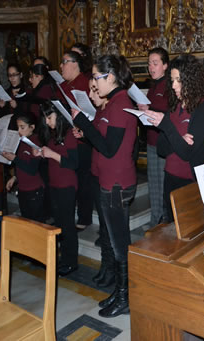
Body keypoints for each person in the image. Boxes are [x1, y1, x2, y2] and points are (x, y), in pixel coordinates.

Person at [72, 54, 137, 318]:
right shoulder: (113, 103)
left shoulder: (121, 104)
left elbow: (109, 148)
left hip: (118, 184)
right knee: (115, 239)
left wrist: (83, 123)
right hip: (110, 181)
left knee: (120, 243)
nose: (95, 84)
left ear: (111, 76)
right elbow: (102, 141)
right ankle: (120, 292)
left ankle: (126, 297)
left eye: (97, 77)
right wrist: (87, 128)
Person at [145, 54, 204, 222]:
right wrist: (177, 137)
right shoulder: (175, 106)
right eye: (172, 80)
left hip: (191, 182)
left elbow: (185, 153)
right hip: (170, 178)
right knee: (170, 230)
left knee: (189, 232)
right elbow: (161, 149)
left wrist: (168, 128)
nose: (174, 85)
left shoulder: (203, 109)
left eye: (178, 80)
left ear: (190, 80)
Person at [72, 79, 115, 288]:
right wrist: (84, 135)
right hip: (97, 173)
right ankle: (105, 267)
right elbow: (96, 140)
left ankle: (111, 269)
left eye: (94, 90)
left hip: (109, 176)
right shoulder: (100, 113)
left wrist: (83, 123)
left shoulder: (111, 111)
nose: (90, 95)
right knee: (104, 229)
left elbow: (107, 147)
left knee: (108, 229)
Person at [34, 101, 79, 276]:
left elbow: (73, 163)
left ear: (58, 116)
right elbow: (53, 159)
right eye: (45, 118)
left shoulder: (68, 134)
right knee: (59, 223)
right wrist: (42, 153)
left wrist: (52, 154)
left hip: (67, 184)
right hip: (54, 183)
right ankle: (64, 258)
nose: (47, 122)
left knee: (67, 224)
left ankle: (71, 261)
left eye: (50, 117)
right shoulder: (52, 134)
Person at [60, 50, 94, 231]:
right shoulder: (65, 85)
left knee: (84, 181)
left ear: (75, 64)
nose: (61, 66)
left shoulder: (84, 83)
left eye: (64, 62)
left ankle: (84, 216)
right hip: (68, 139)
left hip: (83, 140)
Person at [137, 47, 170, 227]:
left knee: (162, 185)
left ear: (165, 65)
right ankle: (155, 219)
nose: (151, 67)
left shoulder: (168, 85)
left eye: (155, 63)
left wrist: (149, 111)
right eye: (149, 63)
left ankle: (161, 221)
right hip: (151, 140)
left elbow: (168, 113)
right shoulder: (153, 85)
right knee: (154, 184)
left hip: (162, 142)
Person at [3, 112, 45, 223]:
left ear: (32, 127)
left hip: (34, 189)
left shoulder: (35, 142)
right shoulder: (21, 141)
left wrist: (15, 159)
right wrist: (14, 177)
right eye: (18, 128)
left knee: (36, 224)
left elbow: (32, 169)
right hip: (22, 189)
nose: (19, 131)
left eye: (22, 127)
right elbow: (21, 164)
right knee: (25, 222)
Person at [0, 63, 27, 128]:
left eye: (14, 75)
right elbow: (1, 117)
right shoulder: (6, 93)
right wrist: (2, 107)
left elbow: (29, 114)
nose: (12, 78)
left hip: (23, 129)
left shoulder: (27, 91)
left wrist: (17, 107)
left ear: (21, 75)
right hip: (8, 129)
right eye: (10, 75)